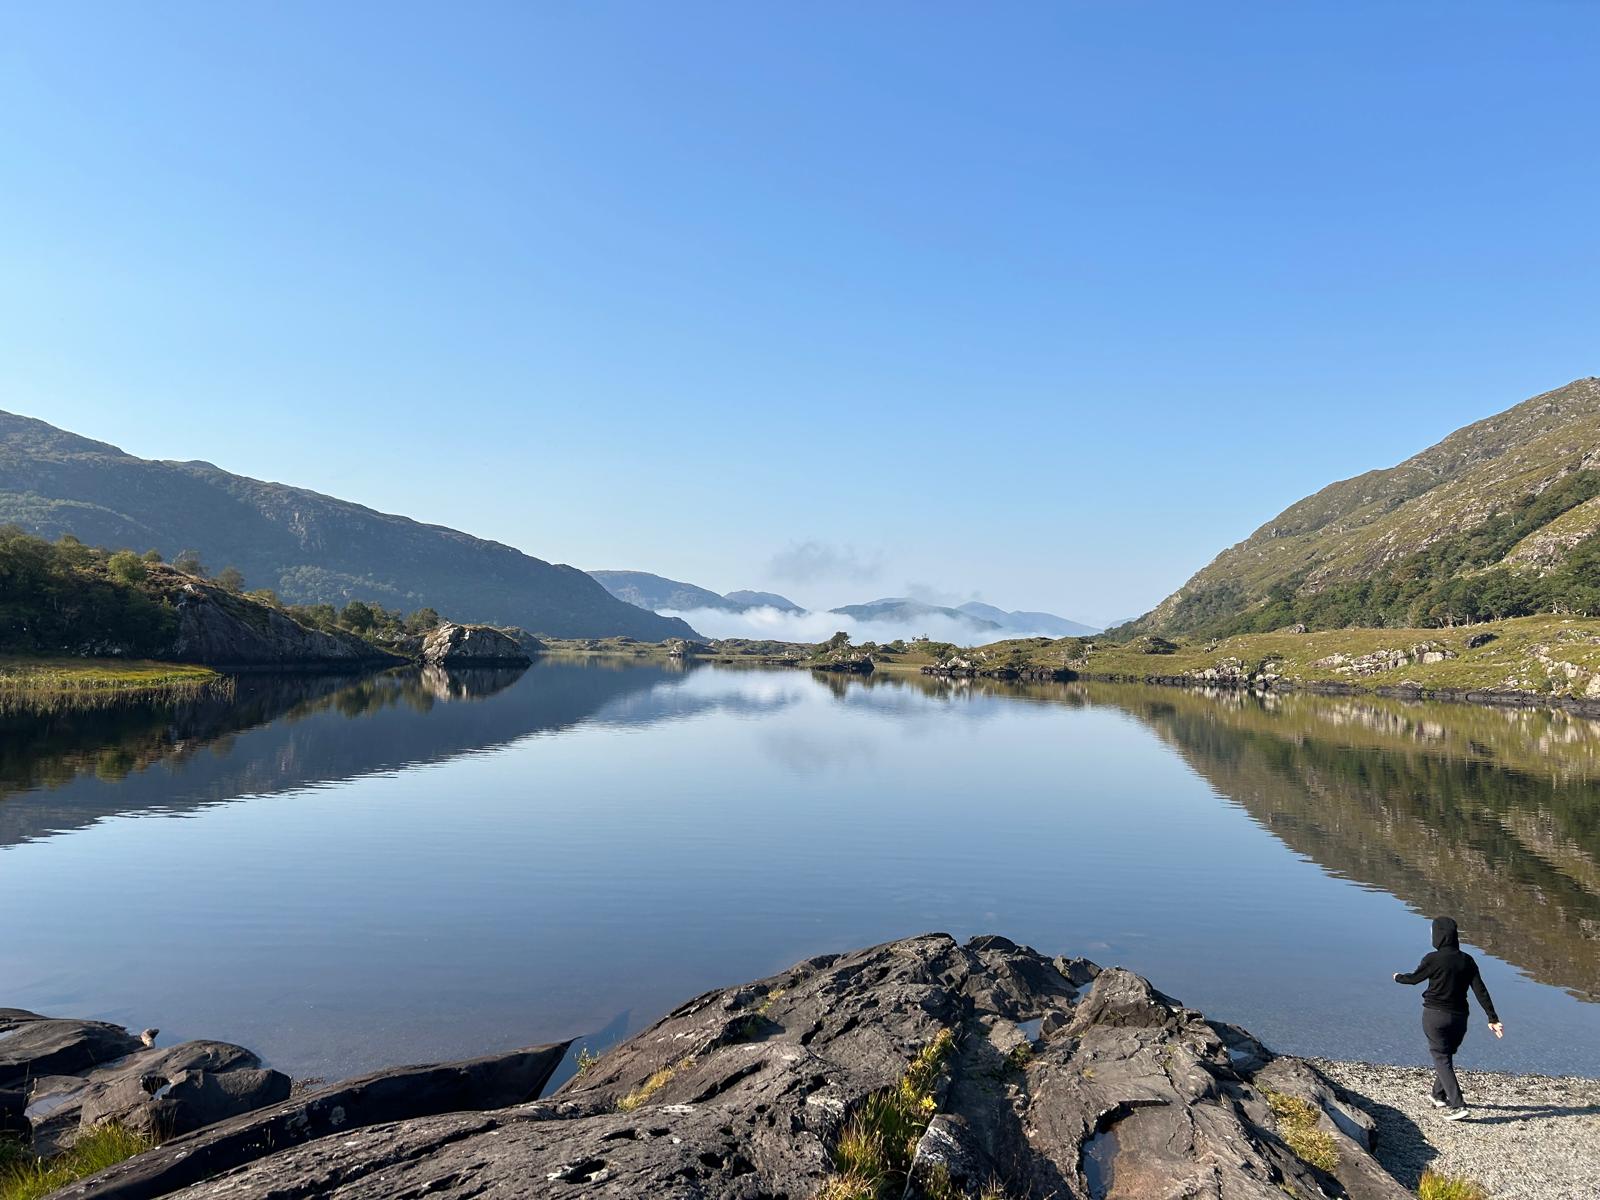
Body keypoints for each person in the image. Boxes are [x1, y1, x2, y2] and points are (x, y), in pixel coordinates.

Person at [1393, 916, 1504, 1119]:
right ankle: (1437, 1095)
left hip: (1435, 1016)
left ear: (1439, 935)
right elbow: (1480, 990)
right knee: (1445, 1056)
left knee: (1441, 1057)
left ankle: (1458, 1105)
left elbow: (1414, 979)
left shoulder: (1432, 959)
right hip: (1460, 1018)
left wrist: (1398, 977)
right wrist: (1492, 1018)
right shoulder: (1467, 960)